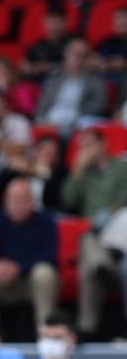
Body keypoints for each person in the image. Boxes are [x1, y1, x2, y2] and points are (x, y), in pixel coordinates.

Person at [0, 177, 58, 330]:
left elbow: (49, 255)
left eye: (22, 199)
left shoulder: (45, 222)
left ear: (32, 201)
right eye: (13, 199)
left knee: (45, 273)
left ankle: (45, 332)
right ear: (6, 201)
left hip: (30, 281)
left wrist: (19, 267)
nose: (17, 204)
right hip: (3, 280)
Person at [61, 129, 127, 337]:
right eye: (82, 145)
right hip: (93, 233)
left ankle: (85, 328)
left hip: (118, 229)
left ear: (103, 144)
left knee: (88, 255)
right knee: (88, 245)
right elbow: (68, 201)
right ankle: (103, 267)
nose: (85, 150)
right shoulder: (83, 173)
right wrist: (78, 170)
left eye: (89, 144)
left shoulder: (121, 168)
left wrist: (111, 212)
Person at [35, 39, 108, 136]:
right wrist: (42, 120)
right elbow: (42, 105)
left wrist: (75, 119)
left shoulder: (96, 81)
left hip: (77, 123)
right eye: (76, 54)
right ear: (66, 55)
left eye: (83, 55)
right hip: (50, 121)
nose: (79, 58)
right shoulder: (54, 79)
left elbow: (99, 104)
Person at [22, 8, 72, 82]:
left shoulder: (73, 44)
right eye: (51, 22)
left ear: (65, 23)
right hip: (38, 84)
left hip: (65, 83)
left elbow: (86, 63)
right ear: (44, 23)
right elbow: (23, 67)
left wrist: (48, 67)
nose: (54, 27)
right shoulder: (36, 46)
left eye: (58, 22)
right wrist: (33, 68)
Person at [95, 8, 127, 78]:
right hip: (106, 80)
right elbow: (94, 59)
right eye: (117, 18)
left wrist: (124, 63)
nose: (121, 22)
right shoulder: (107, 42)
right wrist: (100, 62)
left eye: (125, 17)